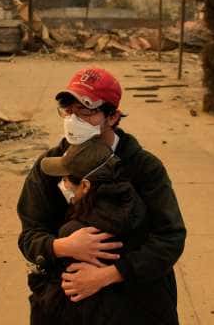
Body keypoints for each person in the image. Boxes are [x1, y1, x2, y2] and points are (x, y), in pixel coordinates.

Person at [17, 66, 186, 324]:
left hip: (137, 302)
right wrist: (61, 246)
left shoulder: (143, 167)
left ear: (113, 117)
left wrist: (108, 274)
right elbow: (30, 234)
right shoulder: (50, 165)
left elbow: (169, 238)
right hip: (67, 304)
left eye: (86, 112)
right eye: (69, 111)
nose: (74, 121)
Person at [30, 136, 147, 324]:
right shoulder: (136, 207)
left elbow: (62, 299)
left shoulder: (78, 234)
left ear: (85, 185)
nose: (63, 184)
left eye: (66, 178)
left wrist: (38, 279)